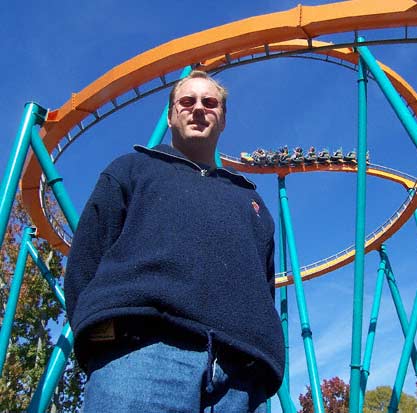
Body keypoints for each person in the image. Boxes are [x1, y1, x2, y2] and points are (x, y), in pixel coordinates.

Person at [64, 70, 285, 412]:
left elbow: (263, 284)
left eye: (209, 103)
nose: (198, 108)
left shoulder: (251, 202)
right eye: (187, 101)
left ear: (223, 119)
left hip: (239, 375)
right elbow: (87, 257)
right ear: (170, 116)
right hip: (139, 355)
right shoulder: (131, 169)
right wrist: (99, 328)